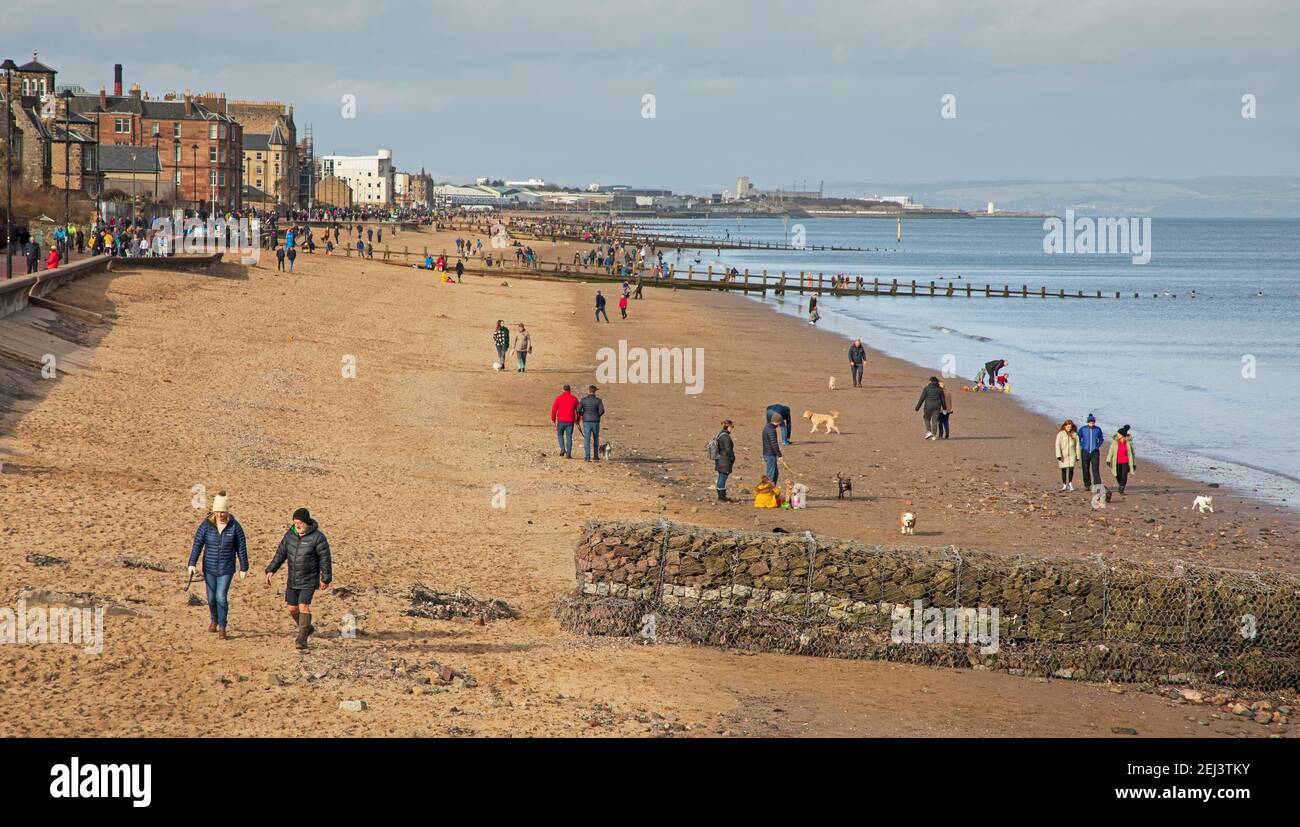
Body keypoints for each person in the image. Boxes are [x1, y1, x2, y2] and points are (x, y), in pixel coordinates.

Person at [264, 507, 333, 650]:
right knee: (292, 609)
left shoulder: (318, 538)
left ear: (307, 522)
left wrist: (325, 578)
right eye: (295, 523)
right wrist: (271, 570)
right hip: (293, 579)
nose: (297, 525)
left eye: (300, 522)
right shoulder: (289, 536)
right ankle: (306, 627)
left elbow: (325, 559)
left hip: (309, 580)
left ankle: (302, 639)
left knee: (303, 606)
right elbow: (280, 554)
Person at [187, 492, 248, 640]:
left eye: (223, 511)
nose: (220, 514)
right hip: (209, 567)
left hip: (226, 568)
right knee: (211, 598)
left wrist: (244, 567)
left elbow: (241, 547)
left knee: (221, 597)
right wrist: (191, 563)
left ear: (227, 511)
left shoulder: (235, 527)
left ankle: (222, 626)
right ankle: (214, 620)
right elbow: (197, 544)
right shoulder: (206, 525)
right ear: (214, 511)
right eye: (218, 511)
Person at [550, 383, 580, 458]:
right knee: (569, 436)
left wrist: (553, 419)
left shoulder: (559, 398)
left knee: (560, 435)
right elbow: (578, 410)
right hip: (570, 421)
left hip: (561, 420)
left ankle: (563, 448)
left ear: (563, 390)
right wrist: (578, 419)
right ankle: (568, 454)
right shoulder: (574, 399)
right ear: (570, 390)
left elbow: (554, 409)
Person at [578, 385, 605, 462]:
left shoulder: (583, 400)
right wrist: (597, 415)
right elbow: (602, 411)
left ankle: (587, 457)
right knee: (596, 439)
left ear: (588, 391)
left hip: (586, 421)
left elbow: (578, 410)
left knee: (587, 439)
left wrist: (583, 414)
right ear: (595, 391)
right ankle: (596, 457)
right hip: (595, 421)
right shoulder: (598, 400)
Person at [1106, 425, 1136, 494]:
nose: (1117, 434)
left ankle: (1122, 489)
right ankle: (1121, 484)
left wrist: (1134, 464)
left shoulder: (1128, 443)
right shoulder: (1115, 442)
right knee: (1118, 475)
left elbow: (1132, 453)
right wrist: (1108, 459)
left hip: (1126, 461)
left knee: (1124, 475)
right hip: (1117, 461)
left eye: (1118, 434)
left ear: (1122, 435)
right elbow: (1111, 451)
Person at [1078, 414, 1105, 490]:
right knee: (1085, 468)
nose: (1092, 423)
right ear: (1087, 422)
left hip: (1094, 452)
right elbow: (1078, 437)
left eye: (1093, 422)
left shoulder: (1098, 429)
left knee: (1095, 469)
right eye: (1090, 422)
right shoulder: (1083, 429)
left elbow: (1101, 439)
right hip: (1085, 452)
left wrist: (1097, 447)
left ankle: (1097, 485)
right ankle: (1087, 485)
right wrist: (1082, 445)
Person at [1055, 419, 1081, 491]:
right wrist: (1058, 455)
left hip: (1072, 455)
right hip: (1063, 455)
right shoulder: (1060, 434)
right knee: (1063, 469)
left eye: (1070, 427)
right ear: (1065, 426)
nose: (1069, 428)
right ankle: (1064, 484)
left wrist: (1078, 456)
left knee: (1071, 469)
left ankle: (1070, 483)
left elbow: (1077, 446)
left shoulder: (1075, 434)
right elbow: (1057, 445)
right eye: (1068, 427)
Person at [915, 376, 945, 440]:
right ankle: (934, 436)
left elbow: (922, 398)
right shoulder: (940, 389)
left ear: (931, 381)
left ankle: (929, 432)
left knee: (926, 418)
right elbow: (943, 400)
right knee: (934, 421)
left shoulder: (926, 388)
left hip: (928, 407)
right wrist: (944, 408)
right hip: (937, 407)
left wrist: (917, 407)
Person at [713, 420, 735, 502]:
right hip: (725, 460)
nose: (732, 429)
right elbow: (728, 450)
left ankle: (721, 495)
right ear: (728, 427)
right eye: (732, 427)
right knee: (723, 478)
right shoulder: (725, 437)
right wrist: (732, 458)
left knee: (721, 477)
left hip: (720, 460)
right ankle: (722, 496)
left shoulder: (720, 434)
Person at [762, 413, 783, 483]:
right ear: (778, 421)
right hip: (770, 455)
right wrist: (779, 455)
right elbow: (774, 444)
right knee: (770, 476)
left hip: (767, 454)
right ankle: (767, 492)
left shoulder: (767, 427)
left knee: (775, 474)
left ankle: (773, 492)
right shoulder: (771, 430)